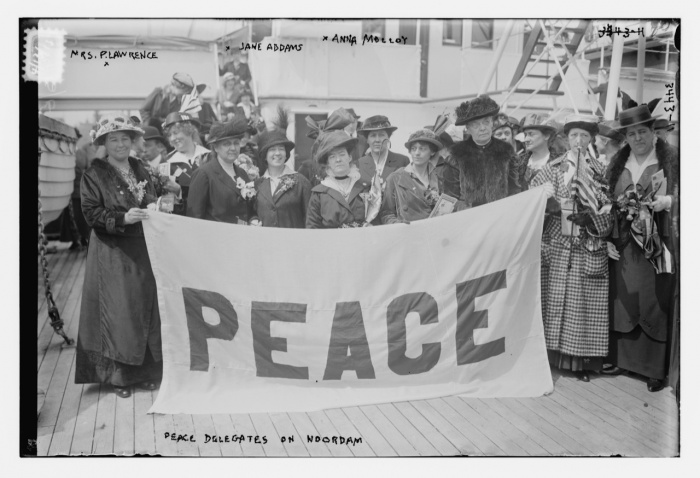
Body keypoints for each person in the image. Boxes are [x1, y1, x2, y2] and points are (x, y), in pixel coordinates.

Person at [75, 115, 162, 398]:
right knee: (120, 311)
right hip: (112, 252)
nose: (121, 144)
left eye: (125, 138)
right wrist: (123, 217)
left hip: (142, 248)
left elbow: (151, 199)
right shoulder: (94, 175)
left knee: (145, 308)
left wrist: (158, 206)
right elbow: (90, 213)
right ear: (104, 143)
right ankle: (121, 377)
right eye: (114, 139)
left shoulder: (140, 168)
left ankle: (148, 372)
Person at [530, 114, 613, 382]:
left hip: (586, 245)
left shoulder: (601, 172)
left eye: (585, 136)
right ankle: (551, 358)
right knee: (554, 300)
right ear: (567, 139)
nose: (579, 141)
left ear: (592, 140)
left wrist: (592, 218)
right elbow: (531, 196)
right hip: (557, 245)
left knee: (581, 304)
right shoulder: (553, 168)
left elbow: (611, 212)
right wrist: (549, 207)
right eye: (574, 135)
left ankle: (580, 364)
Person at [603, 105, 679, 392]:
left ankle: (654, 368)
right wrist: (608, 238)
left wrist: (669, 201)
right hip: (624, 245)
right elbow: (605, 205)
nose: (637, 138)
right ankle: (622, 359)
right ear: (625, 138)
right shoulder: (616, 166)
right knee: (624, 299)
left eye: (642, 132)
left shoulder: (671, 161)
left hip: (658, 243)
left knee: (654, 299)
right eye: (631, 133)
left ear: (653, 133)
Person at [442, 95, 522, 211]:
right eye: (475, 125)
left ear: (492, 124)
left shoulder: (507, 153)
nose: (482, 128)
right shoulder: (456, 156)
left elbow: (515, 190)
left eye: (486, 122)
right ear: (468, 129)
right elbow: (450, 198)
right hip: (469, 220)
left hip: (501, 217)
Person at [187, 118, 258, 224]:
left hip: (241, 237)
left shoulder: (242, 173)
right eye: (227, 144)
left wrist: (253, 220)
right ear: (216, 148)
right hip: (215, 238)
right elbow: (194, 218)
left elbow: (249, 210)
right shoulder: (203, 174)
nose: (233, 148)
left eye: (236, 143)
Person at [306, 130, 372, 229]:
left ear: (349, 157)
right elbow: (312, 227)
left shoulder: (365, 187)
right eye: (332, 156)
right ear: (328, 162)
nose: (338, 160)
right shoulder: (319, 193)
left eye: (342, 154)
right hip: (332, 243)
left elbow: (376, 219)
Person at [380, 129, 443, 224]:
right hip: (407, 232)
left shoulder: (438, 176)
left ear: (432, 152)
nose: (417, 153)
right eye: (413, 149)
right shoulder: (396, 178)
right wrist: (397, 224)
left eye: (422, 149)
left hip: (432, 230)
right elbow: (386, 213)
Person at [254, 130, 311, 228]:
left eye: (281, 149)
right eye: (272, 149)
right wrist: (253, 220)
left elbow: (310, 219)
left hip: (293, 241)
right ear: (265, 155)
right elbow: (252, 213)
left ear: (286, 155)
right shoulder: (257, 185)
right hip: (265, 241)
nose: (277, 153)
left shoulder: (301, 182)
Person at [162, 112, 210, 215]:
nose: (172, 138)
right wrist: (178, 192)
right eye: (169, 135)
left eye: (175, 133)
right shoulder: (167, 163)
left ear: (189, 131)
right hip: (184, 220)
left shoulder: (209, 156)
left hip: (210, 219)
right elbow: (166, 207)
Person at [357, 115, 410, 184]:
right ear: (367, 140)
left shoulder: (402, 161)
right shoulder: (359, 164)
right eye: (373, 135)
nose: (377, 140)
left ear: (388, 138)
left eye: (381, 135)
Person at [519, 113, 561, 187]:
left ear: (547, 136)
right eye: (525, 135)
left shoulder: (559, 163)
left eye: (531, 134)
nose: (526, 139)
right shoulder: (517, 161)